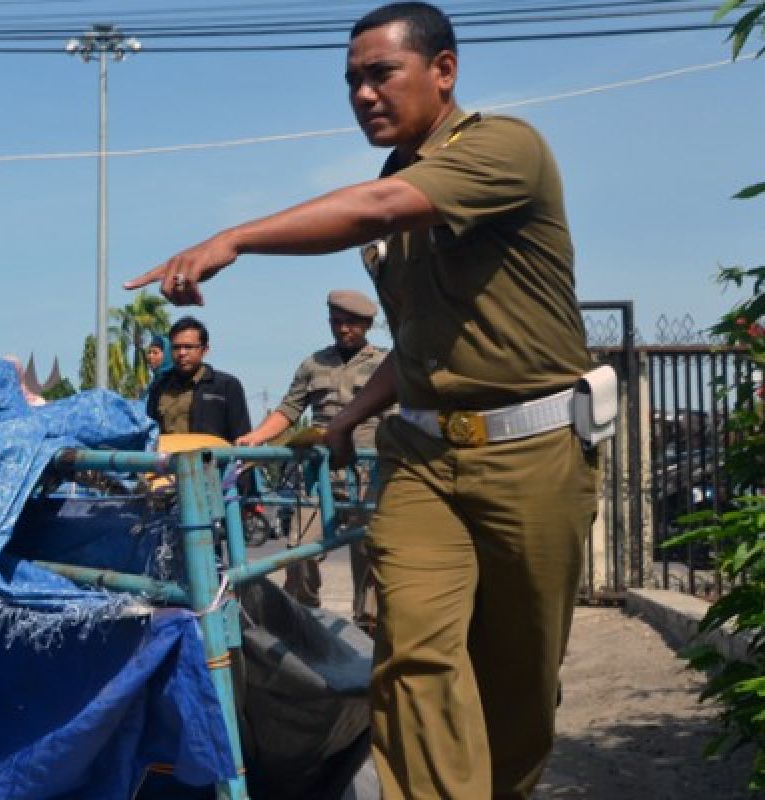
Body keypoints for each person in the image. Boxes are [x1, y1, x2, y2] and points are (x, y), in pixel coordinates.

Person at [126, 4, 597, 798]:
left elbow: (377, 210)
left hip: (531, 452)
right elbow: (413, 341)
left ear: (443, 70)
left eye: (382, 74)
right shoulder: (394, 188)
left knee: (518, 683)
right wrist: (343, 421)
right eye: (352, 81)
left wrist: (232, 238)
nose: (363, 94)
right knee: (410, 656)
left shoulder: (503, 149)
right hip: (420, 458)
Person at [236, 290, 388, 630]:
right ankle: (304, 621)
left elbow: (397, 415)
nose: (343, 329)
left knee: (369, 554)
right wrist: (256, 438)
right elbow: (289, 409)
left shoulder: (383, 364)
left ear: (367, 324)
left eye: (351, 323)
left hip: (369, 475)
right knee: (300, 549)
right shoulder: (314, 364)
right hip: (320, 475)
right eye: (336, 322)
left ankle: (368, 628)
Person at [147, 316, 250, 443]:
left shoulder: (226, 386)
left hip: (215, 461)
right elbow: (149, 436)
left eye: (189, 347)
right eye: (176, 347)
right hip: (169, 461)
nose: (182, 353)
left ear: (204, 350)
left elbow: (243, 437)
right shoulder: (159, 387)